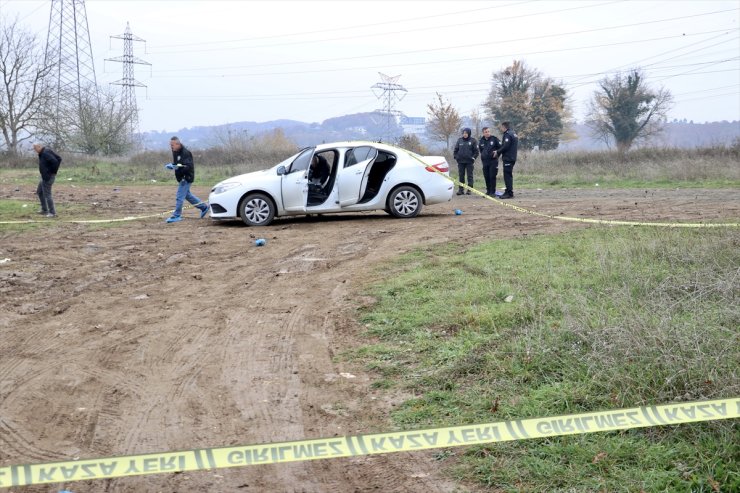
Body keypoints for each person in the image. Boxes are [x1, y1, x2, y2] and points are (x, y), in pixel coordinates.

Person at [164, 136, 209, 223]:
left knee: (179, 197)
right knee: (188, 196)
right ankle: (204, 207)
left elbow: (188, 167)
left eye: (172, 145)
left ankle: (176, 215)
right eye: (170, 145)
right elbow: (178, 163)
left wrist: (176, 167)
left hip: (186, 177)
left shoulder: (186, 153)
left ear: (178, 144)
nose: (171, 147)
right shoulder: (175, 152)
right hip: (181, 177)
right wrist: (172, 165)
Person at [33, 143, 62, 218]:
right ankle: (44, 209)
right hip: (44, 176)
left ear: (39, 147)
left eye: (35, 148)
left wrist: (52, 172)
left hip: (48, 177)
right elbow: (59, 158)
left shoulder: (45, 153)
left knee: (47, 195)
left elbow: (56, 161)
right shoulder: (44, 152)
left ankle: (52, 213)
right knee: (39, 192)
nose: (35, 150)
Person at [493, 122, 518, 199]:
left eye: (501, 127)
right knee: (508, 175)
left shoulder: (507, 134)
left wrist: (497, 152)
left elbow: (505, 146)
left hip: (508, 158)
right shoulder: (513, 133)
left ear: (504, 127)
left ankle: (509, 193)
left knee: (507, 175)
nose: (501, 129)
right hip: (512, 157)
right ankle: (508, 191)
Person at [453, 128, 478, 195]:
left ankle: (469, 190)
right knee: (461, 176)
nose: (465, 134)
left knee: (469, 176)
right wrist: (456, 157)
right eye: (464, 133)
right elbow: (455, 150)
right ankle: (461, 190)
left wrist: (473, 158)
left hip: (469, 161)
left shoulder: (473, 140)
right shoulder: (459, 140)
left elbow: (476, 151)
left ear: (469, 133)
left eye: (466, 133)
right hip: (461, 161)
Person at [478, 127, 501, 197]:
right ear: (483, 133)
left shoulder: (494, 139)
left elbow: (501, 148)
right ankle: (488, 191)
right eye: (486, 132)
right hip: (485, 162)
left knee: (492, 176)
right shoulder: (481, 141)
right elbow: (481, 150)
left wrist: (497, 154)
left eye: (488, 131)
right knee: (486, 176)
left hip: (493, 161)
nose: (487, 133)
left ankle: (492, 192)